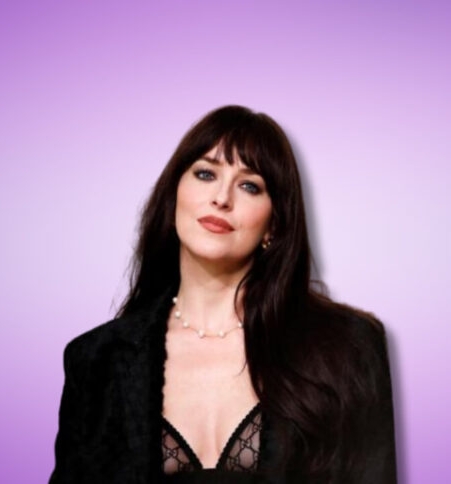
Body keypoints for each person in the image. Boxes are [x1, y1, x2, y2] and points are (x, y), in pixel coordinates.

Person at [49, 105, 397, 483]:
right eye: (205, 173)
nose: (221, 197)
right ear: (174, 197)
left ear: (274, 225)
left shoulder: (347, 348)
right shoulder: (96, 361)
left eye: (249, 186)